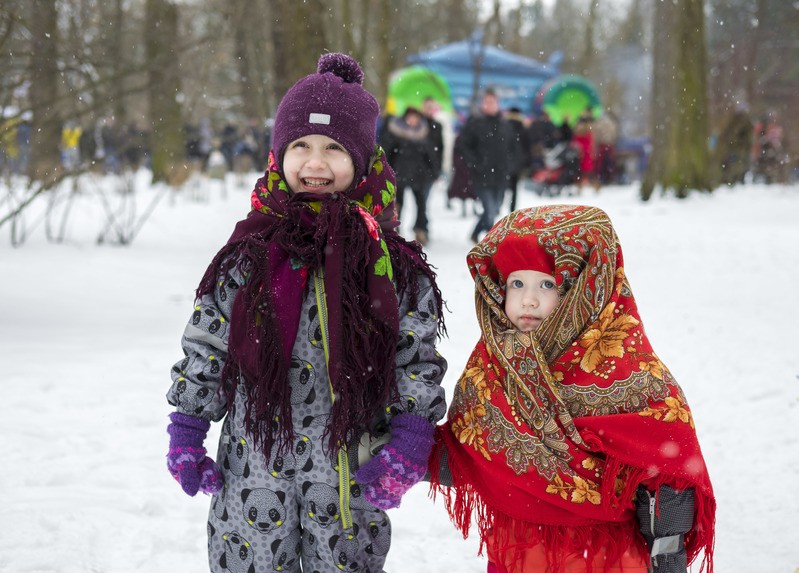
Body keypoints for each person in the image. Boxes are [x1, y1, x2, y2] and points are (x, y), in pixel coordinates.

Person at [165, 53, 448, 573]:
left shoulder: (389, 263)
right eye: (301, 146)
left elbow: (415, 357)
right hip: (253, 467)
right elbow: (208, 343)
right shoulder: (248, 253)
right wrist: (186, 426)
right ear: (279, 154)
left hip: (346, 471)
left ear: (361, 159)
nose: (315, 164)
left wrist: (411, 435)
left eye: (334, 149)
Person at [429, 205, 715, 573]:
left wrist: (667, 552)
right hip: (516, 552)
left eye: (547, 284)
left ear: (588, 290)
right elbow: (474, 452)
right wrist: (400, 449)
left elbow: (667, 469)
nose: (528, 300)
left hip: (604, 558)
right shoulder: (493, 365)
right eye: (517, 283)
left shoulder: (630, 371)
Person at [457, 89, 515, 243]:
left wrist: (510, 165)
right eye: (487, 102)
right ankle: (492, 242)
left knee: (495, 209)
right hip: (481, 176)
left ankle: (475, 232)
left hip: (500, 176)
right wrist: (475, 163)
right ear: (483, 104)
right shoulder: (475, 123)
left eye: (493, 102)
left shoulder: (505, 125)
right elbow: (463, 146)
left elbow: (513, 148)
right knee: (489, 211)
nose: (490, 105)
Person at [381, 106, 438, 245]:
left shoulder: (424, 134)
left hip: (420, 176)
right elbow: (388, 153)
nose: (413, 120)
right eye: (410, 117)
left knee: (421, 204)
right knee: (398, 204)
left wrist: (434, 172)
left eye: (416, 117)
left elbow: (431, 156)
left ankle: (421, 230)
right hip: (400, 175)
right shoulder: (396, 134)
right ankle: (394, 229)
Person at [504, 106, 530, 213]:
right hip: (517, 162)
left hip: (505, 162)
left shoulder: (503, 126)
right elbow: (527, 146)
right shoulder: (522, 127)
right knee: (514, 188)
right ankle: (512, 208)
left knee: (502, 186)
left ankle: (498, 205)